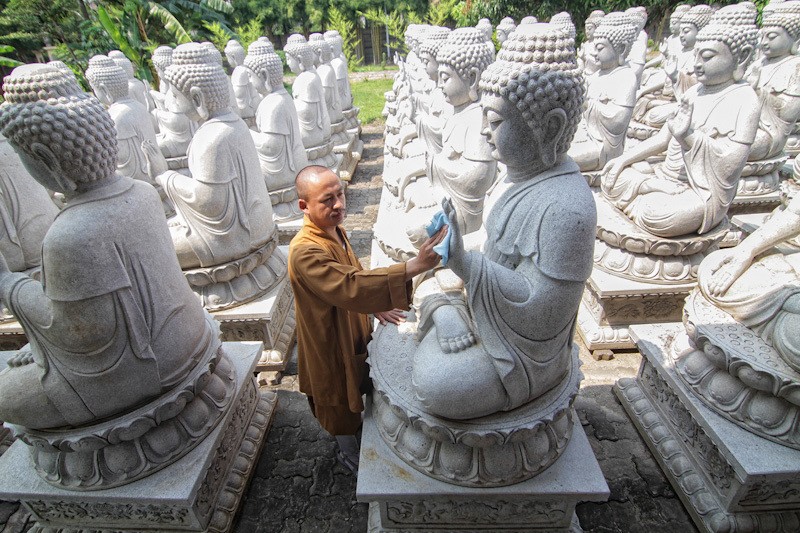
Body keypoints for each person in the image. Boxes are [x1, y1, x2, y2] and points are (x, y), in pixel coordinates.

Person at [288, 165, 445, 473]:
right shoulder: (304, 251)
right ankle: (348, 455)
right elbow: (350, 286)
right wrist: (414, 266)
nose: (338, 205)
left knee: (356, 382)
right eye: (327, 200)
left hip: (350, 322)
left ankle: (357, 436)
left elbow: (351, 274)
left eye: (340, 194)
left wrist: (375, 306)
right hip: (329, 340)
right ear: (304, 206)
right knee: (338, 401)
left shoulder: (334, 230)